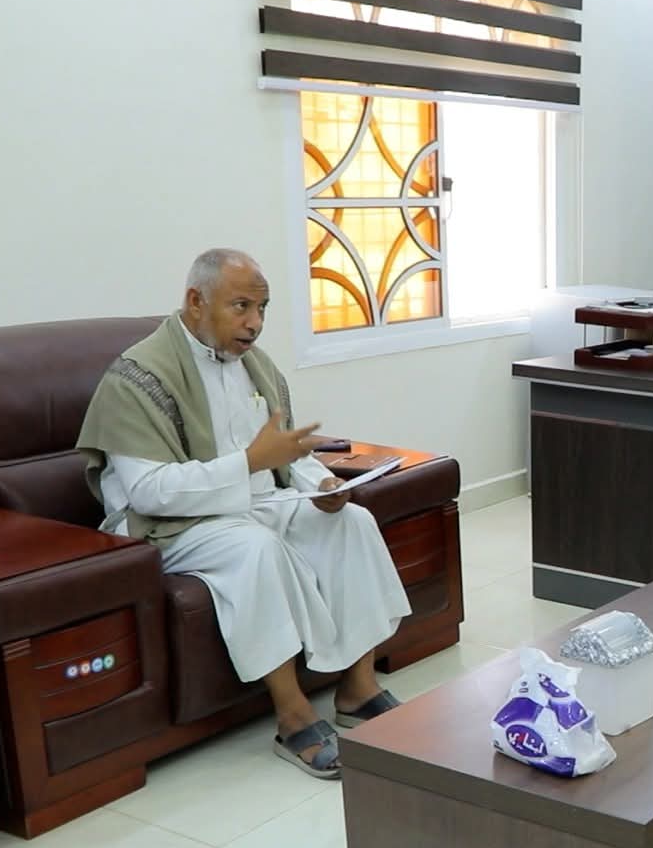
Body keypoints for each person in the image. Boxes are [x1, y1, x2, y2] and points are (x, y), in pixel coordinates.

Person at [77, 248, 411, 779]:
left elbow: (285, 453)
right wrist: (250, 463)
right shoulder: (137, 378)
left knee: (351, 522)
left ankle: (358, 688)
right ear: (196, 301)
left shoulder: (255, 365)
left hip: (256, 502)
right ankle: (293, 715)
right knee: (254, 548)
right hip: (171, 526)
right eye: (241, 307)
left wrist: (320, 485)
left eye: (262, 309)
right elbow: (148, 493)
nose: (255, 324)